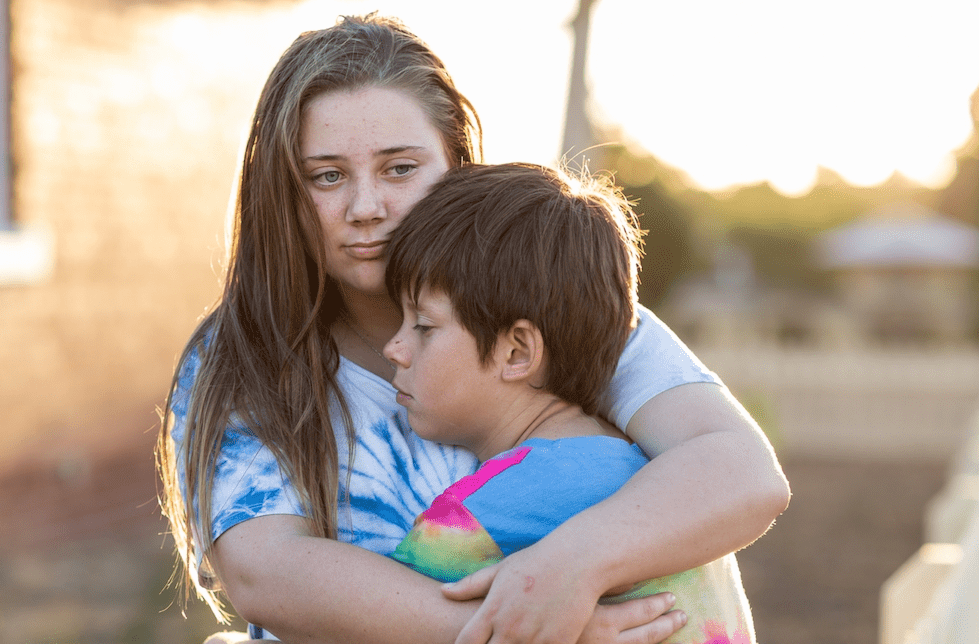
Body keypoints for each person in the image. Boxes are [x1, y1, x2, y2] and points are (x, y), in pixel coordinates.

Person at [156, 13, 789, 644]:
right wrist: (533, 633)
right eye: (328, 176)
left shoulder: (552, 307)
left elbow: (741, 472)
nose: (366, 208)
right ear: (283, 193)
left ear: (456, 164)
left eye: (400, 168)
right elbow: (269, 574)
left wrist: (570, 566)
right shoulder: (241, 357)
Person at [382, 162, 752, 644]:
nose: (395, 347)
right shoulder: (667, 484)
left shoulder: (482, 514)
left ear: (517, 352)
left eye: (423, 326)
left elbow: (363, 622)